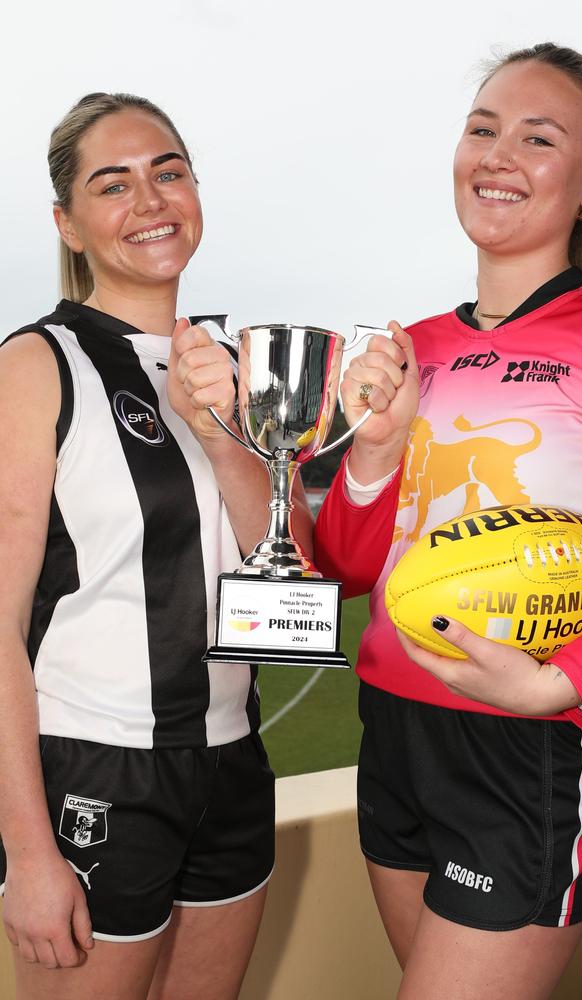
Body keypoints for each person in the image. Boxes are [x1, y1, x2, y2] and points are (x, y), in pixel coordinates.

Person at [315, 43, 582, 998]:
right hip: (392, 734)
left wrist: (560, 688)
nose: (499, 154)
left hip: (532, 747)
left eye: (538, 138)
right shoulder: (408, 346)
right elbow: (343, 566)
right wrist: (375, 453)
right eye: (482, 129)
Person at [0, 92, 312, 1000]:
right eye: (113, 183)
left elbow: (289, 565)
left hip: (232, 760)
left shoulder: (235, 368)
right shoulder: (35, 365)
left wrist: (223, 432)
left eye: (167, 172)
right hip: (93, 766)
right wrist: (27, 848)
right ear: (68, 221)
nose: (150, 200)